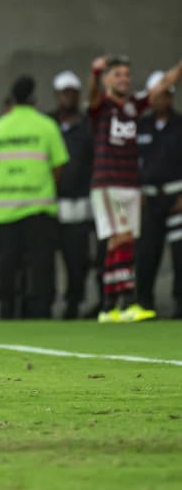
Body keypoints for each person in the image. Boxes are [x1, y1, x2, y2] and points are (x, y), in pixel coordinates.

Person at [88, 55, 181, 322]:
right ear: (107, 79)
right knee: (124, 237)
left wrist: (178, 68)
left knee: (118, 241)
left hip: (129, 183)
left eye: (127, 75)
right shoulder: (101, 106)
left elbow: (162, 85)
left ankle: (109, 307)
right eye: (118, 74)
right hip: (109, 182)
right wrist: (95, 73)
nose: (124, 79)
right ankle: (128, 301)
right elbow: (92, 96)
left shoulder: (132, 106)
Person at [0, 76, 68, 319]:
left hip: (6, 211)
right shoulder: (47, 125)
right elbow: (59, 166)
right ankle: (41, 311)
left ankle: (8, 311)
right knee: (41, 266)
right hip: (39, 209)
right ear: (33, 98)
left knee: (8, 267)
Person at [49, 70, 95, 319]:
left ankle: (74, 302)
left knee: (77, 257)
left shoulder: (87, 125)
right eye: (63, 92)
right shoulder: (46, 123)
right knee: (45, 259)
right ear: (57, 95)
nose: (68, 96)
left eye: (72, 92)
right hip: (48, 202)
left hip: (78, 201)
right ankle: (43, 304)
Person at [136, 69, 182, 318]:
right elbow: (130, 162)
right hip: (148, 200)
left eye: (168, 95)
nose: (164, 99)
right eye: (159, 95)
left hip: (177, 198)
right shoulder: (139, 126)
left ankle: (180, 306)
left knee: (180, 254)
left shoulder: (180, 124)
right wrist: (137, 192)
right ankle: (144, 305)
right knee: (146, 253)